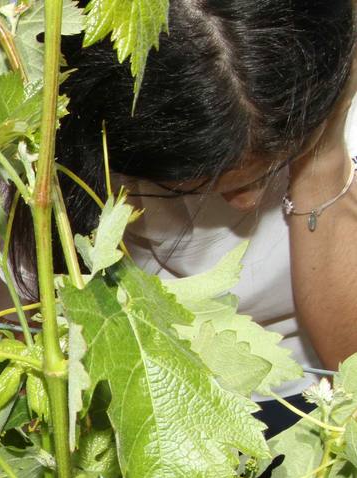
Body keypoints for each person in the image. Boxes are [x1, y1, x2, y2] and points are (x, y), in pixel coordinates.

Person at [48, 0, 357, 395]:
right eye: (190, 183)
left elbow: (350, 372)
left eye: (280, 158)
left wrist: (322, 158)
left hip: (313, 391)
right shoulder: (62, 131)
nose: (247, 202)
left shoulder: (326, 88)